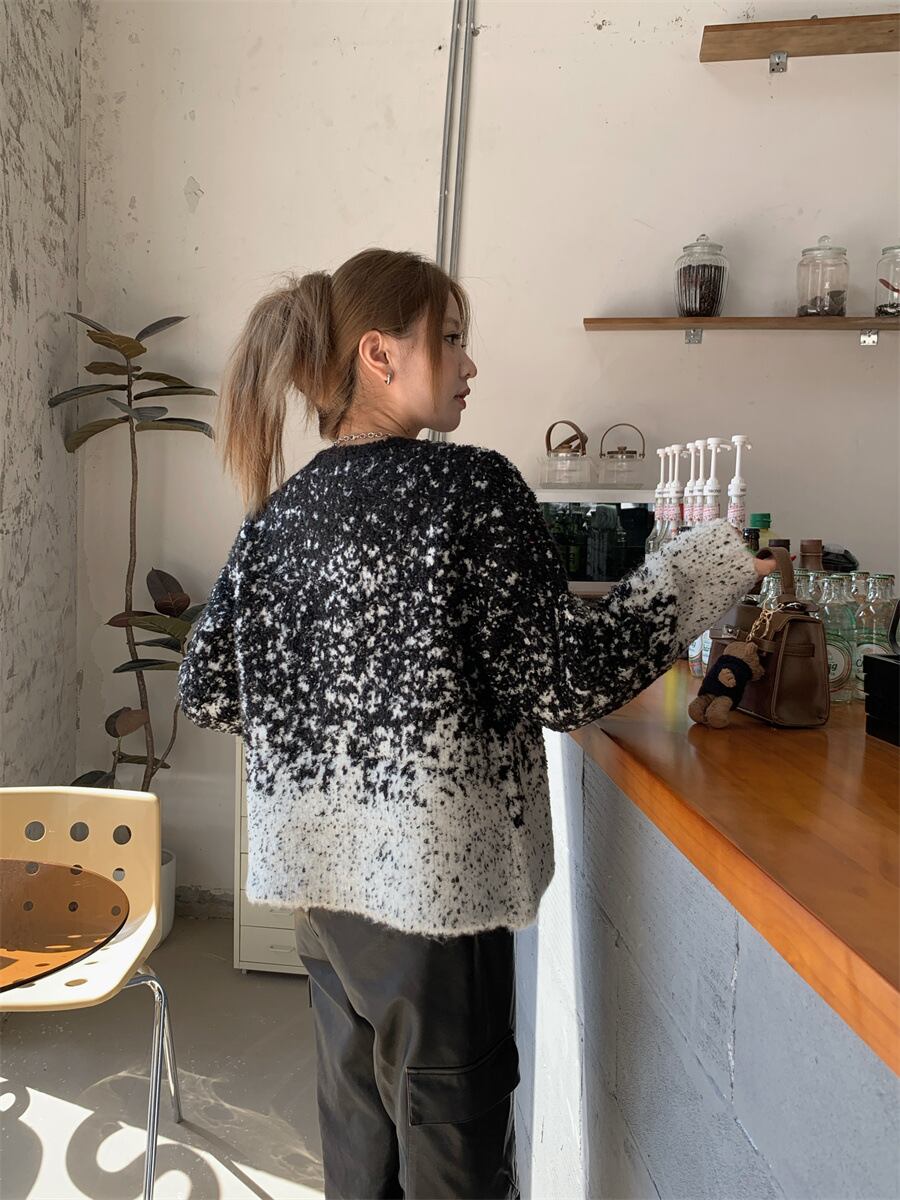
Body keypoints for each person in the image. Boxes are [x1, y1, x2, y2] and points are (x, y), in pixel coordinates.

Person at [177, 247, 776, 1200]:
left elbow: (209, 685)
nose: (470, 363)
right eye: (450, 339)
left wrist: (340, 708)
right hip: (434, 903)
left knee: (361, 1154)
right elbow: (568, 680)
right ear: (380, 354)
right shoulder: (469, 490)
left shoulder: (282, 513)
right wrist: (700, 567)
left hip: (325, 907)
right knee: (455, 1169)